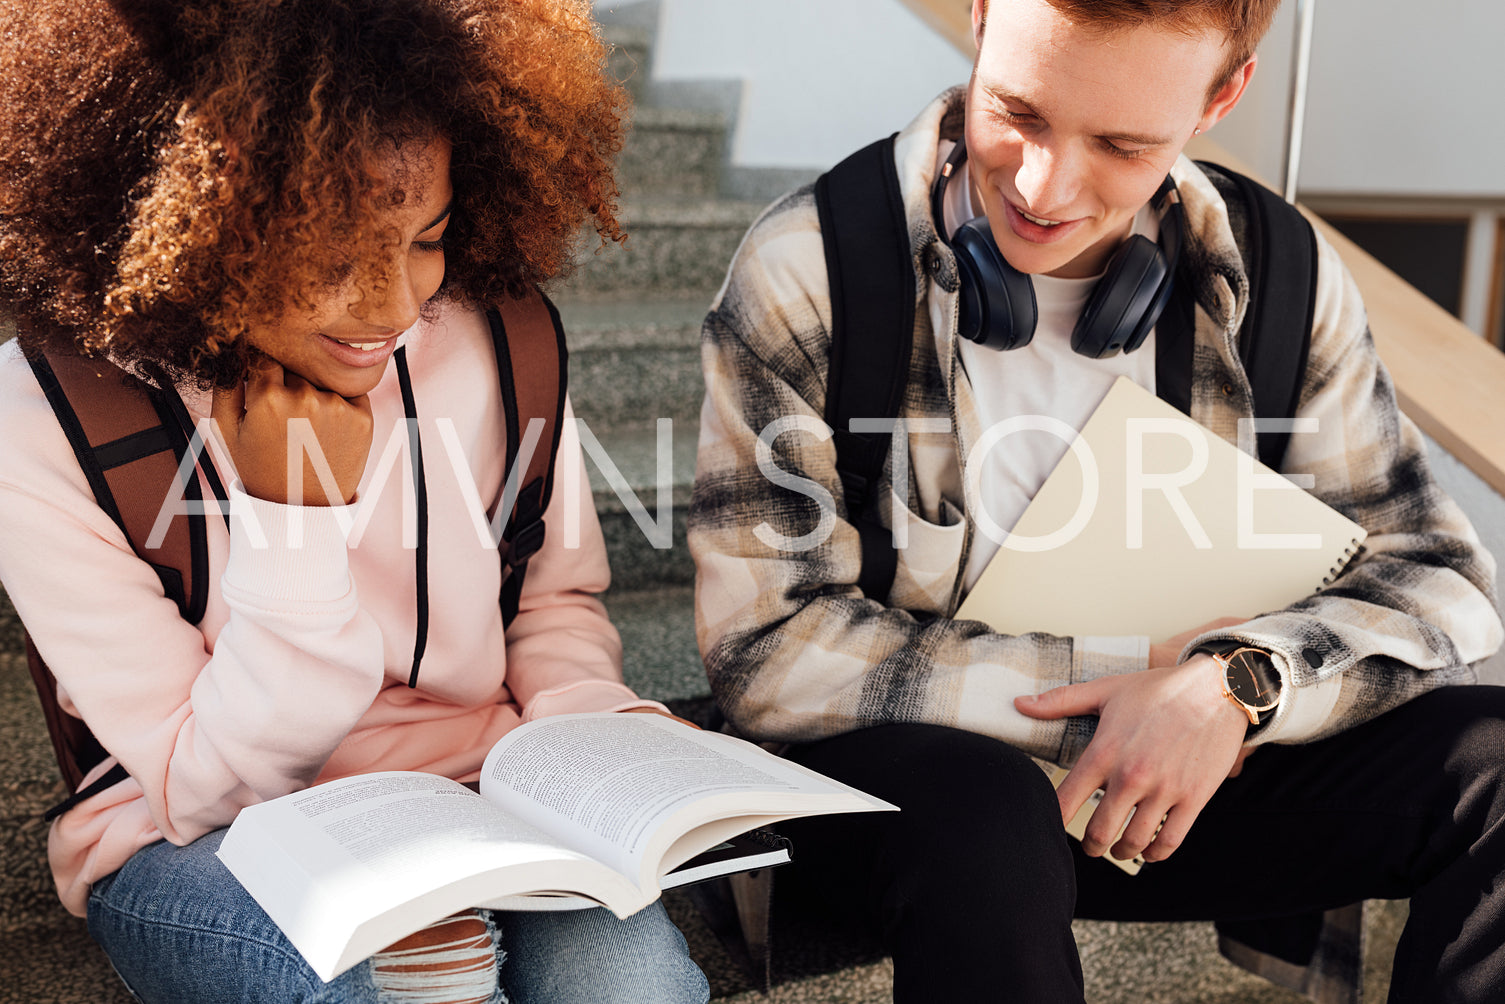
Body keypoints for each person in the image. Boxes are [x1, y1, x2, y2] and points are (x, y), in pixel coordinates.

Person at [688, 0, 1505, 1001]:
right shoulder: (805, 270)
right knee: (984, 813)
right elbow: (763, 649)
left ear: (1222, 95)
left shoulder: (1283, 272)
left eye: (1121, 146)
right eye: (1018, 114)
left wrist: (1231, 688)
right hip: (915, 805)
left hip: (1174, 786)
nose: (1042, 185)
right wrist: (1123, 680)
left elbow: (1443, 583)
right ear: (980, 18)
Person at [0, 1, 711, 1002]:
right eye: (332, 250)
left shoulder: (501, 338)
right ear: (197, 218)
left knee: (637, 986)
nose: (389, 308)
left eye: (427, 237)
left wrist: (595, 731)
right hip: (196, 831)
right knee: (400, 978)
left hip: (483, 789)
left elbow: (548, 600)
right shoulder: (50, 413)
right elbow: (201, 778)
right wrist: (291, 519)